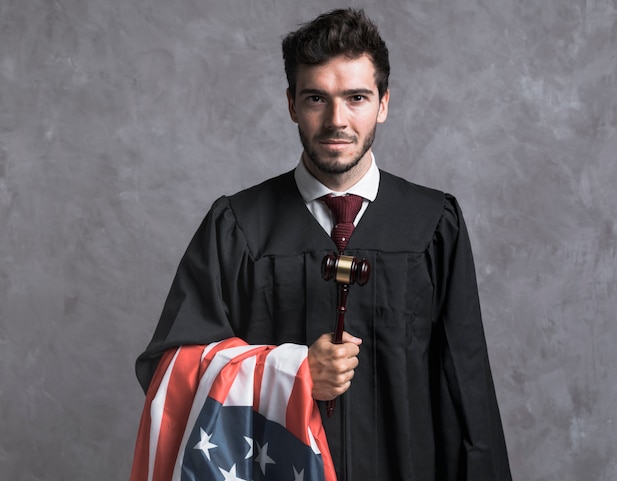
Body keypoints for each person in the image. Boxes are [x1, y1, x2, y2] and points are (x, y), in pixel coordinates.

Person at [135, 8, 512, 481]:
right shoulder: (238, 226)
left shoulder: (433, 224)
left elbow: (468, 391)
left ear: (384, 103)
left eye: (356, 97)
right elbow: (169, 371)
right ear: (292, 104)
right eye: (317, 98)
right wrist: (293, 371)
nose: (337, 120)